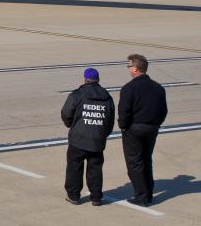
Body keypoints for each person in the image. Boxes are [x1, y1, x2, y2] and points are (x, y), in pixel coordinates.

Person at [60, 68, 115, 206]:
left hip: (78, 138)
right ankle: (96, 197)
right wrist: (102, 134)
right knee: (95, 168)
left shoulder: (77, 95)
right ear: (98, 80)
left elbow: (66, 113)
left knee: (74, 167)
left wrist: (71, 125)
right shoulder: (107, 97)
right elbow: (110, 119)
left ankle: (73, 195)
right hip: (97, 140)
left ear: (85, 79)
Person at [119, 54, 167, 206]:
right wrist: (155, 124)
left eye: (129, 66)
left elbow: (124, 112)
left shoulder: (129, 88)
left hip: (134, 129)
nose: (128, 68)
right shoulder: (158, 88)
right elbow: (163, 111)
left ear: (135, 69)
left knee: (134, 163)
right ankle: (148, 193)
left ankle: (142, 196)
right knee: (146, 160)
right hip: (152, 129)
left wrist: (124, 126)